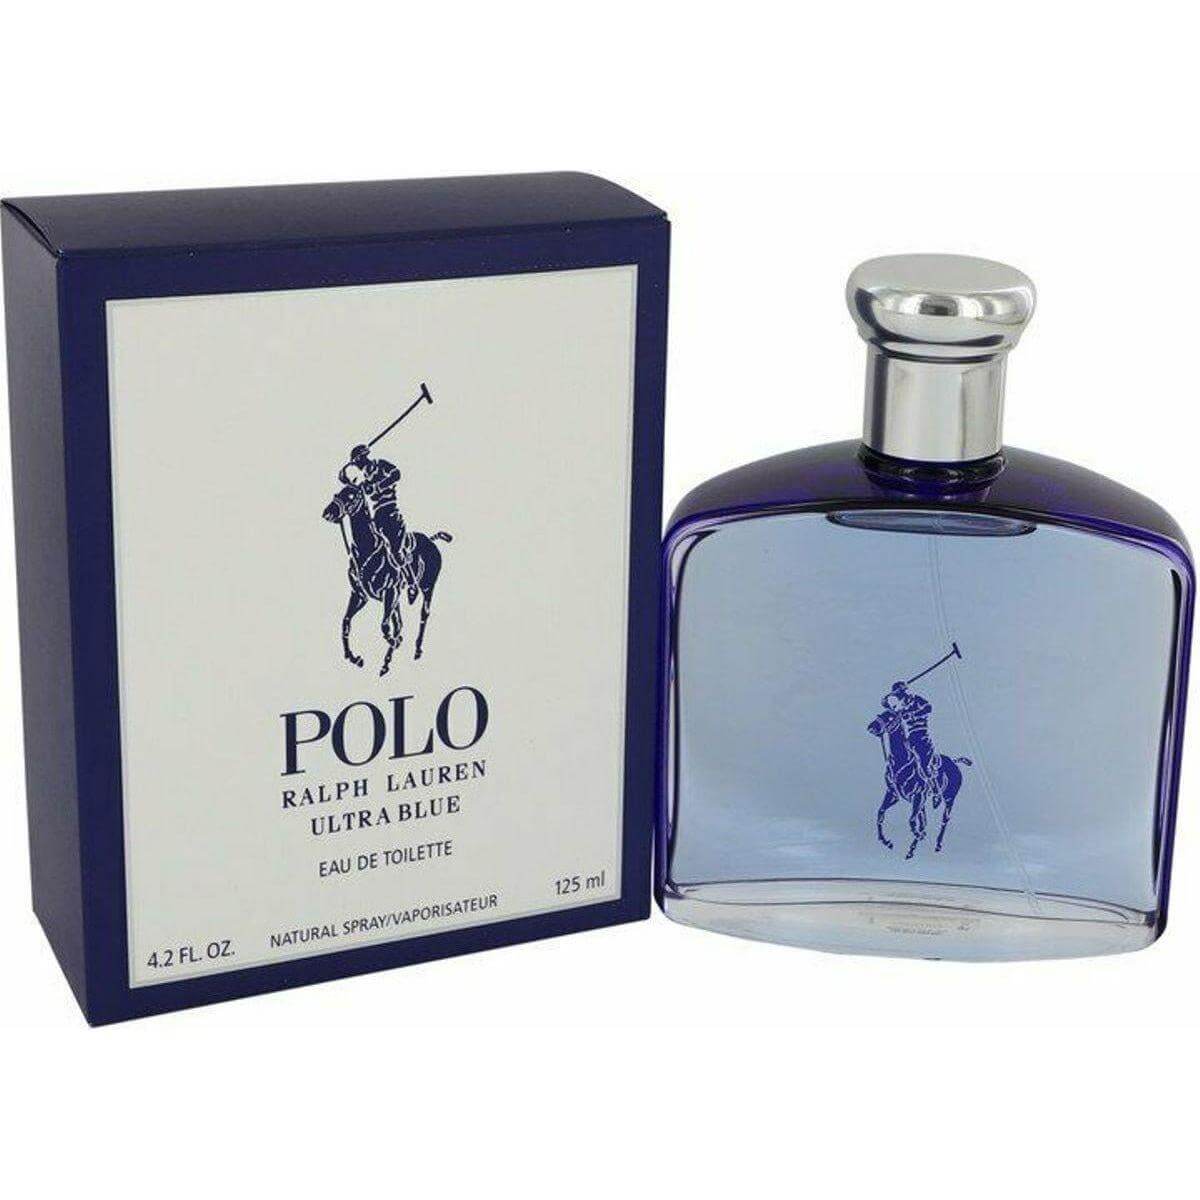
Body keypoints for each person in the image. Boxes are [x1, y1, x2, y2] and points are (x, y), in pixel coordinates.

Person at [340, 444, 414, 586]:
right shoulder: (364, 479)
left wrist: (377, 487)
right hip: (376, 515)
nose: (357, 465)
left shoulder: (380, 465)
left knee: (393, 546)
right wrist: (343, 474)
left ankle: (409, 578)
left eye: (357, 462)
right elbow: (352, 489)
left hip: (389, 510)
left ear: (363, 458)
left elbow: (396, 474)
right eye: (355, 463)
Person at [885, 681, 942, 803]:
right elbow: (893, 713)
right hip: (910, 737)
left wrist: (913, 714)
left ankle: (935, 790)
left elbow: (928, 708)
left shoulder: (916, 700)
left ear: (904, 692)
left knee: (924, 765)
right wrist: (885, 702)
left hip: (922, 735)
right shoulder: (902, 706)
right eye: (897, 696)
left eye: (900, 694)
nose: (899, 697)